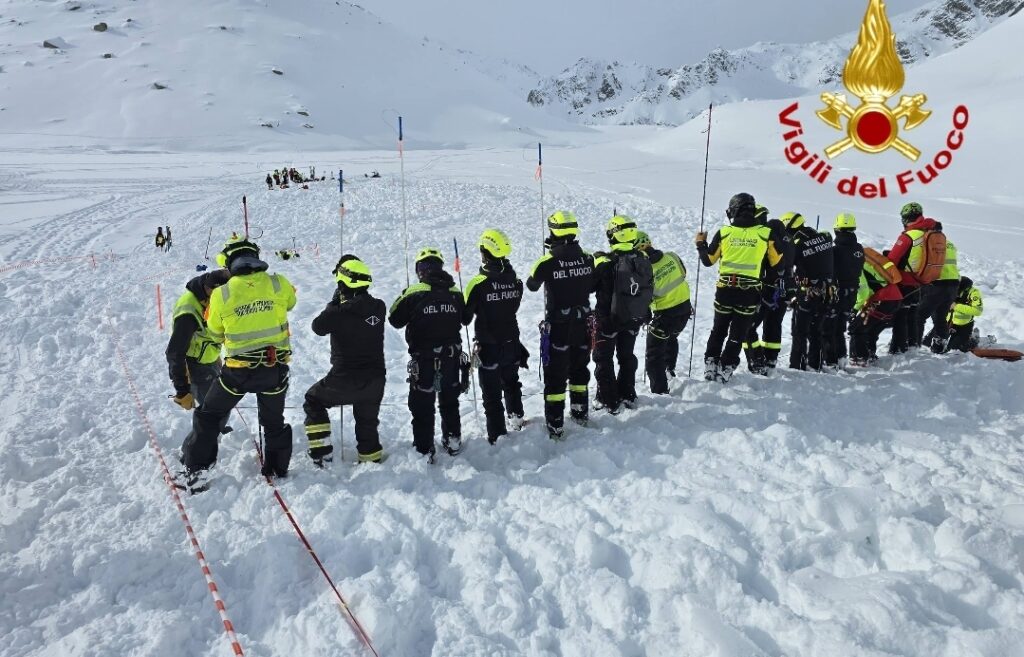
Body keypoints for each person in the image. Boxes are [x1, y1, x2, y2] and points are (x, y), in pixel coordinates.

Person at [177, 237, 297, 491]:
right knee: (274, 422)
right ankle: (277, 468)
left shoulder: (222, 294)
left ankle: (197, 471)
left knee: (209, 416)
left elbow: (215, 332)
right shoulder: (279, 282)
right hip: (274, 370)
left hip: (238, 374)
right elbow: (291, 303)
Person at [303, 257, 386, 466]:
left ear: (342, 285)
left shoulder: (339, 312)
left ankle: (322, 452)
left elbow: (318, 327)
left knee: (313, 400)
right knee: (367, 420)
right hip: (375, 380)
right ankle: (371, 459)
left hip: (345, 379)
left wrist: (333, 304)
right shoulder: (379, 307)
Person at [388, 248, 466, 462]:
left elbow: (394, 319)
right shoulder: (455, 292)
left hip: (424, 360)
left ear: (420, 269)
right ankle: (453, 439)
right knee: (450, 400)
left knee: (422, 404)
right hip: (450, 358)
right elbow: (466, 318)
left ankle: (424, 448)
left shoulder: (414, 292)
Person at [696, 193, 783, 383]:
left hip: (725, 290)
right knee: (738, 333)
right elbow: (777, 262)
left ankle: (711, 362)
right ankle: (726, 366)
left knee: (718, 329)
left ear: (735, 210)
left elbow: (708, 260)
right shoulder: (766, 233)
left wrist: (701, 244)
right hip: (749, 293)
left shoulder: (725, 232)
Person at [526, 210, 596, 439]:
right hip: (583, 325)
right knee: (579, 369)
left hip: (559, 327)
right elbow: (592, 285)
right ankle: (580, 412)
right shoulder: (588, 258)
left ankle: (555, 424)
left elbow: (531, 285)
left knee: (556, 376)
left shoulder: (547, 262)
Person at [462, 229, 526, 444]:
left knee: (491, 392)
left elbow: (465, 318)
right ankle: (516, 417)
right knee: (511, 381)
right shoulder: (516, 280)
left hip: (489, 345)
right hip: (512, 341)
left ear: (486, 252)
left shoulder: (478, 283)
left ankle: (497, 434)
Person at [592, 216, 653, 412]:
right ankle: (627, 395)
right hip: (633, 317)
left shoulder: (605, 262)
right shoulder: (642, 259)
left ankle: (608, 400)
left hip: (608, 320)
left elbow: (590, 286)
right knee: (627, 356)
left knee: (603, 358)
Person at [166, 268, 231, 410]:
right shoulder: (188, 312)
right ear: (211, 290)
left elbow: (208, 332)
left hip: (210, 361)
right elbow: (174, 352)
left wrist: (215, 356)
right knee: (213, 410)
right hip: (195, 367)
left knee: (218, 406)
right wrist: (182, 390)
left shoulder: (210, 298)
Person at [636, 231, 691, 394]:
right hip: (685, 309)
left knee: (654, 355)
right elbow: (683, 273)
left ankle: (660, 392)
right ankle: (669, 370)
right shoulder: (672, 256)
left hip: (665, 315)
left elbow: (643, 298)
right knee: (671, 338)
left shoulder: (645, 271)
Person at [743, 205, 795, 375]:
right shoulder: (788, 239)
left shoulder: (766, 238)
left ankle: (756, 361)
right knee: (773, 324)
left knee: (746, 326)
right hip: (785, 289)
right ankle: (770, 360)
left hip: (767, 289)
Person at [886, 202, 943, 353]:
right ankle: (912, 346)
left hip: (905, 282)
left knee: (900, 317)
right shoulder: (930, 232)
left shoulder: (908, 236)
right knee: (913, 315)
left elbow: (892, 260)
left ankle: (898, 349)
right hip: (922, 282)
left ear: (906, 219)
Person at [783, 211, 835, 371]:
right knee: (816, 331)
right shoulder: (825, 238)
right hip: (827, 293)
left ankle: (796, 366)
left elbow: (788, 265)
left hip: (807, 294)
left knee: (799, 332)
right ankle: (815, 364)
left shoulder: (797, 244)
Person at [823, 212, 863, 368]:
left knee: (828, 328)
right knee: (840, 328)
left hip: (836, 294)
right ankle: (841, 358)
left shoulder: (834, 250)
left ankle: (830, 361)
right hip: (851, 294)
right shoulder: (859, 249)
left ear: (837, 230)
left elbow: (829, 271)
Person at [849, 252, 903, 365]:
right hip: (895, 298)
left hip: (882, 300)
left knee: (856, 328)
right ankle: (869, 354)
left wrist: (854, 310)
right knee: (871, 329)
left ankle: (860, 358)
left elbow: (864, 292)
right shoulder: (864, 261)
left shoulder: (853, 265)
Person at [915, 229, 960, 353]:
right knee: (940, 317)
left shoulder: (929, 242)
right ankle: (940, 345)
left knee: (918, 315)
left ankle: (912, 343)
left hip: (937, 283)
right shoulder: (949, 243)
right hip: (953, 285)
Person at [945, 276, 983, 352]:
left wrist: (956, 306)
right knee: (930, 345)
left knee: (955, 349)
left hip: (964, 325)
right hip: (948, 323)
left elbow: (978, 311)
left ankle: (973, 339)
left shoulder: (973, 293)